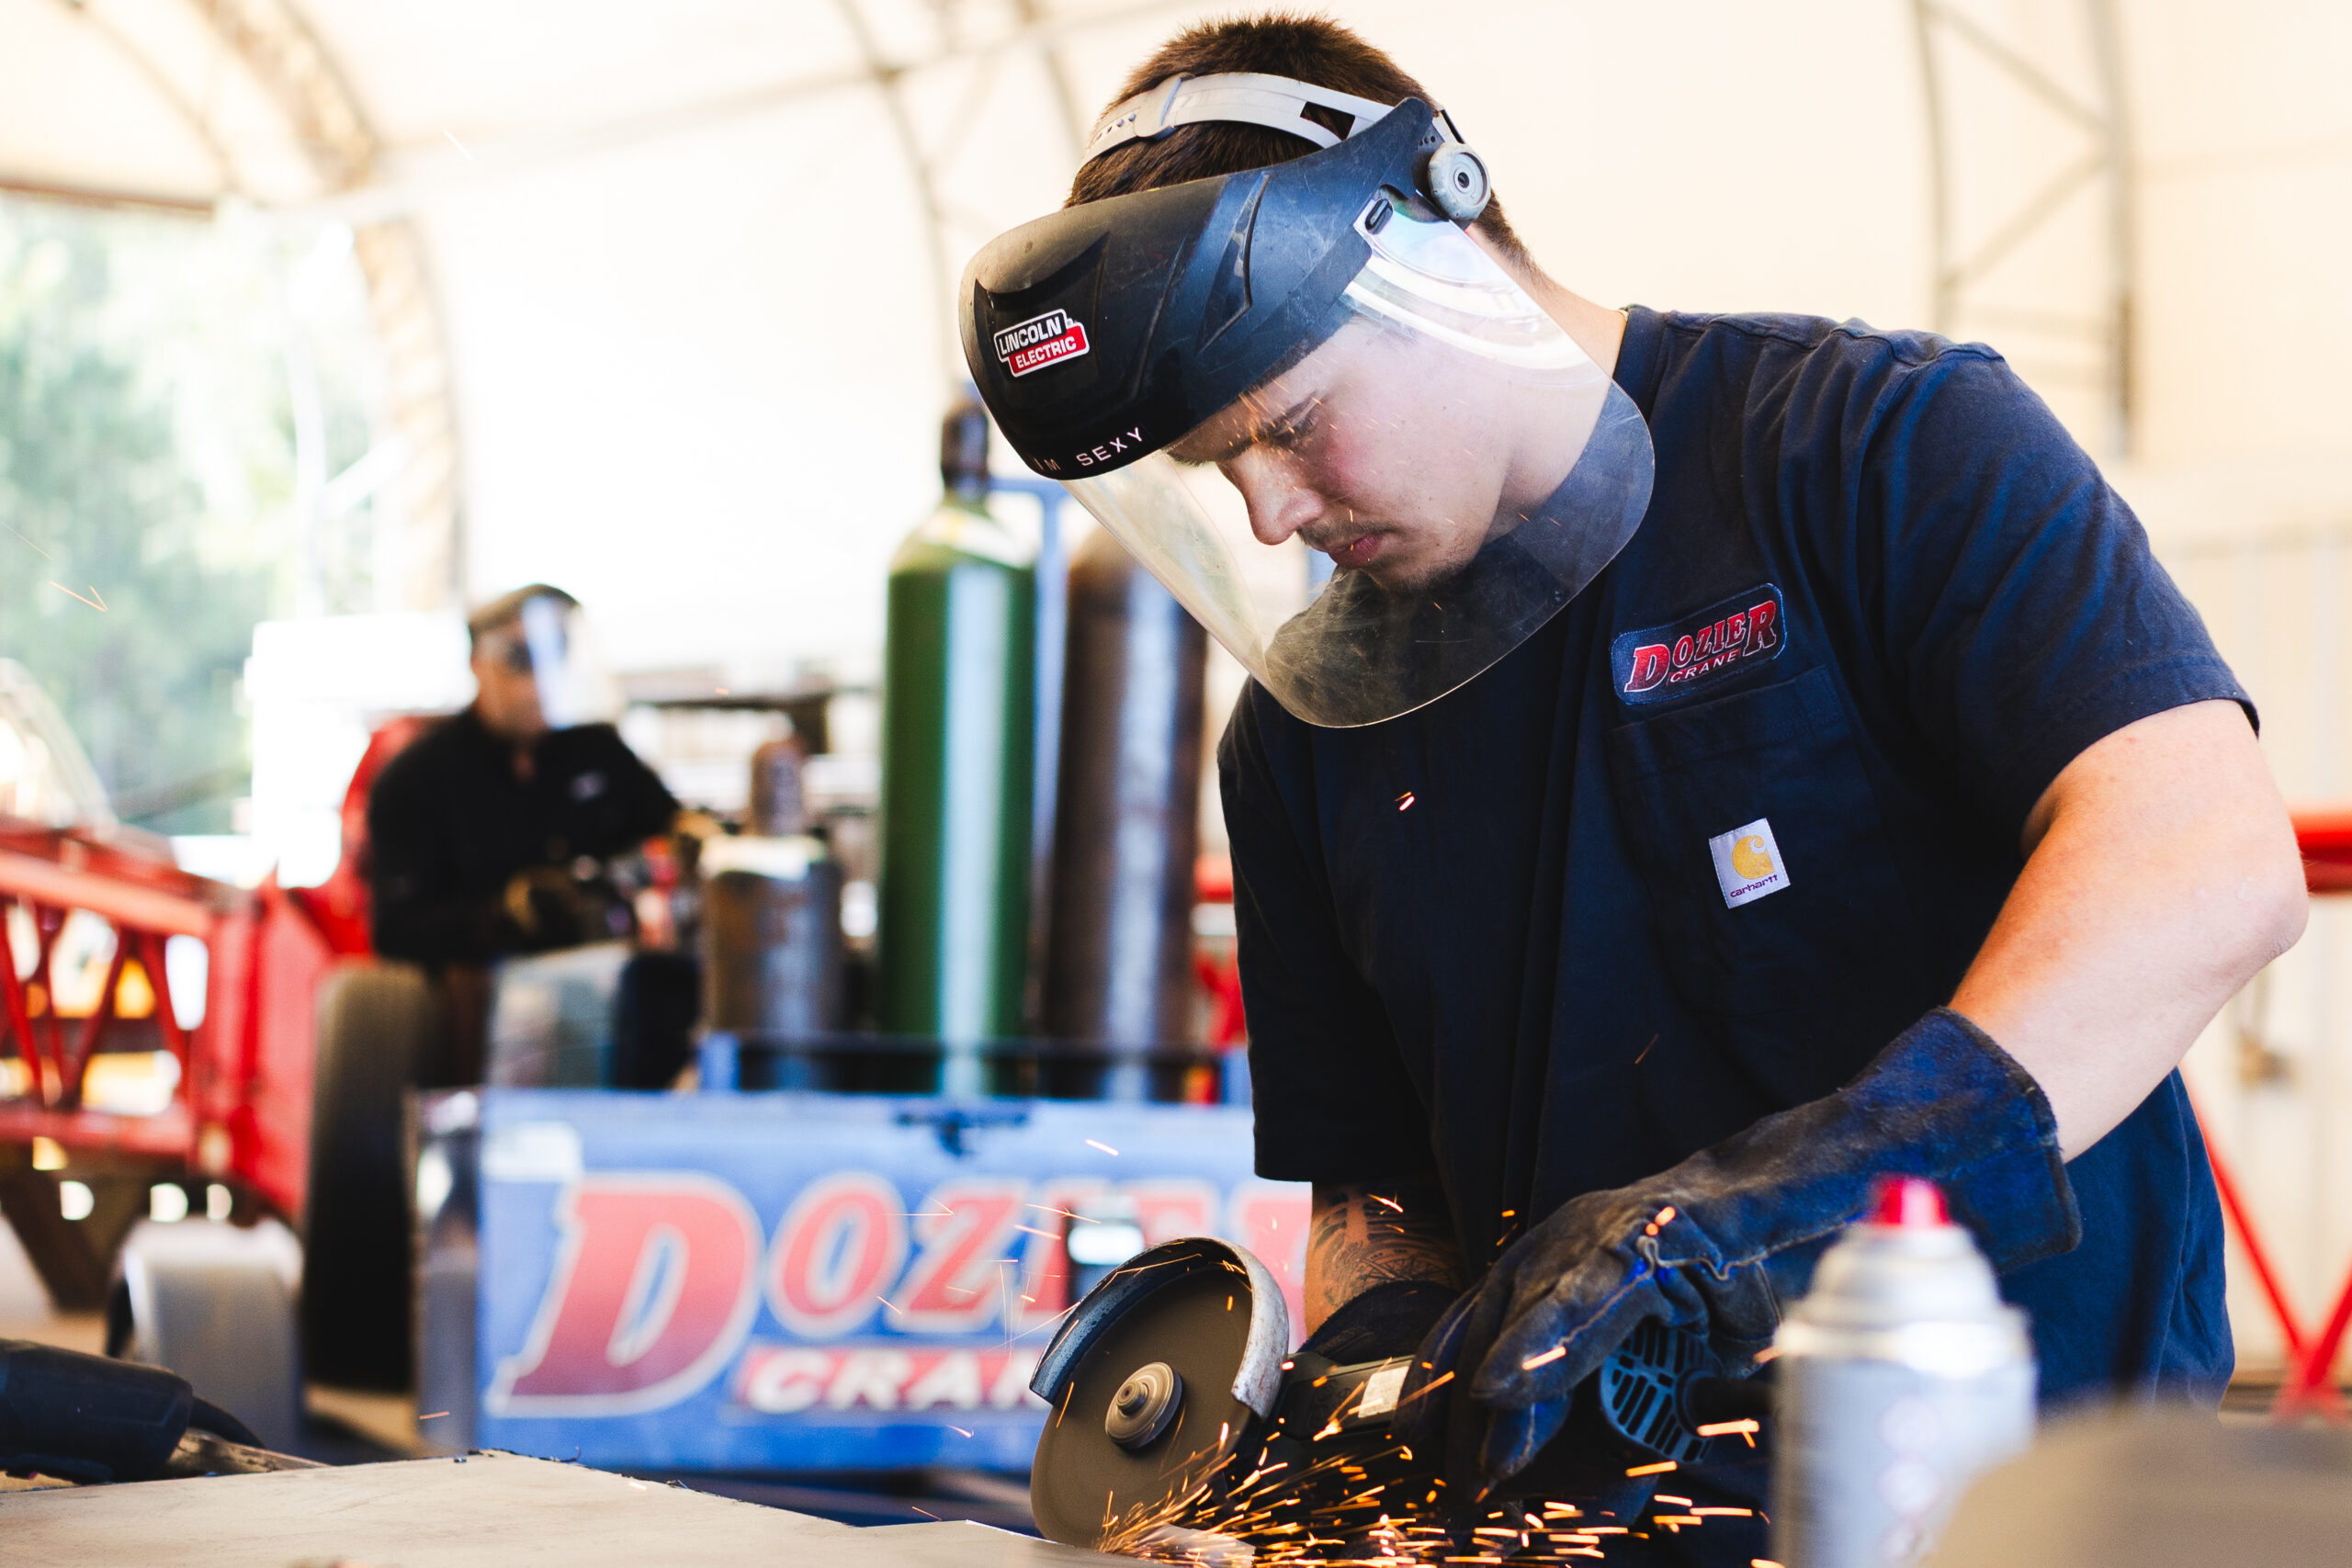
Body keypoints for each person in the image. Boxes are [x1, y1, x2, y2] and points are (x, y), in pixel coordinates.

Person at [960, 12, 2307, 1554]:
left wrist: (1767, 1211)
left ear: (1436, 241)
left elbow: (2208, 861)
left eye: (1295, 424)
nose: (1269, 513)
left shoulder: (1875, 450)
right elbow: (1379, 1187)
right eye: (1217, 468)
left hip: (2031, 1492)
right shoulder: (1300, 736)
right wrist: (1373, 1368)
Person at [368, 585, 683, 1078]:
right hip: (488, 1005)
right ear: (479, 664)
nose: (540, 677)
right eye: (521, 657)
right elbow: (396, 930)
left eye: (556, 650)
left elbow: (670, 826)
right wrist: (505, 915)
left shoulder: (594, 750)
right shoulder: (416, 780)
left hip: (615, 981)